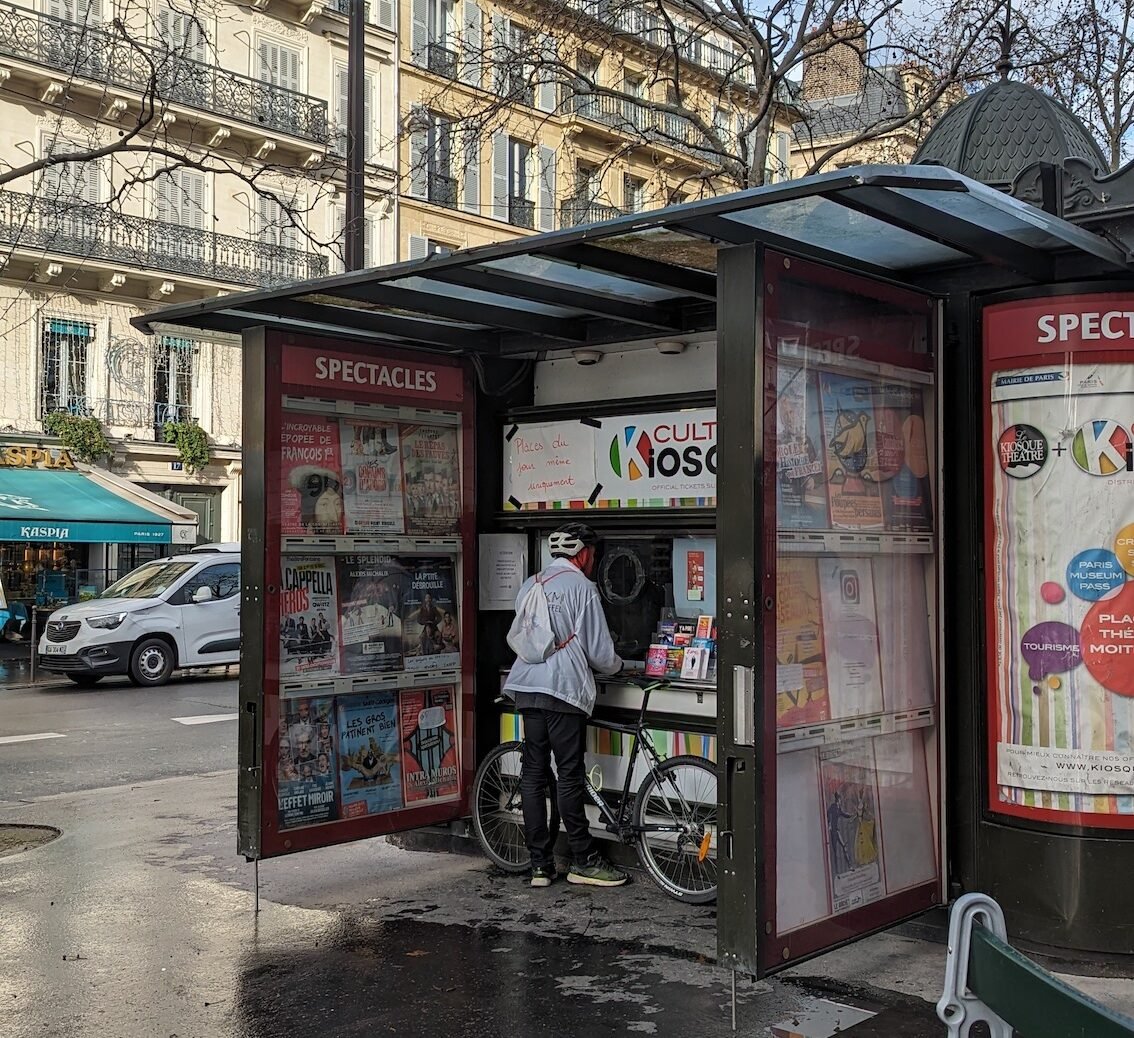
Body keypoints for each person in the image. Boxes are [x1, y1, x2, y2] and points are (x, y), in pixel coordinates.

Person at [504, 522, 627, 889]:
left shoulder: (531, 583)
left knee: (533, 773)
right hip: (561, 690)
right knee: (569, 773)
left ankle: (540, 865)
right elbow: (600, 651)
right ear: (584, 554)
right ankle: (583, 859)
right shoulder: (582, 587)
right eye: (592, 553)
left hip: (526, 687)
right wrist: (620, 665)